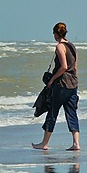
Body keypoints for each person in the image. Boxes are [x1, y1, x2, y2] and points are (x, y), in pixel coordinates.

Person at [32, 22, 80, 151]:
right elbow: (74, 67)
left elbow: (63, 66)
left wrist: (52, 80)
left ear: (56, 33)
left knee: (52, 112)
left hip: (61, 85)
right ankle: (76, 144)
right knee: (72, 113)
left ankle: (44, 143)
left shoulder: (60, 46)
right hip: (73, 84)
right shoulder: (72, 46)